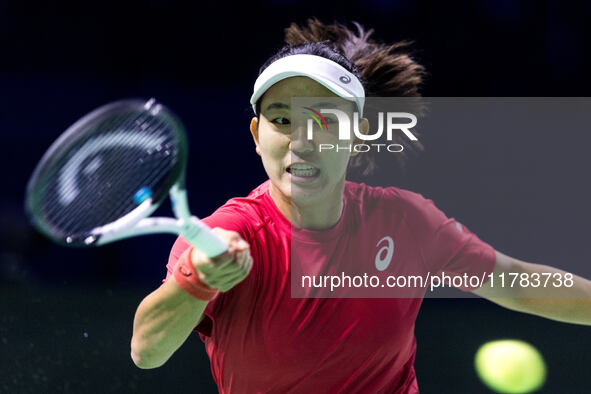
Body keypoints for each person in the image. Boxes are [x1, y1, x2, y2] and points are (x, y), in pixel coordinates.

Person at [130, 19, 591, 393]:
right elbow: (146, 352)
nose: (302, 140)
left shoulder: (406, 222)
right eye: (282, 119)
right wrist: (197, 281)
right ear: (256, 136)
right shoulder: (229, 233)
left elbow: (515, 282)